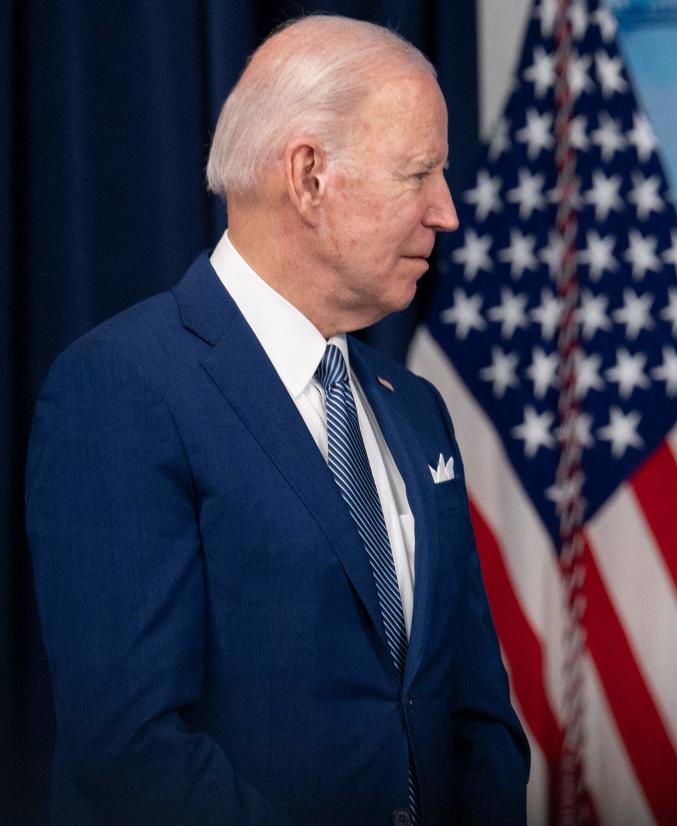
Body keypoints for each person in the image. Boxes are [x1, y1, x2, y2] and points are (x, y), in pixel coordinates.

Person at [26, 15, 528, 825]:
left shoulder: (417, 409)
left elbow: (473, 709)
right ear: (308, 177)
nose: (447, 213)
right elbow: (129, 743)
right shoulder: (121, 386)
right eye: (419, 173)